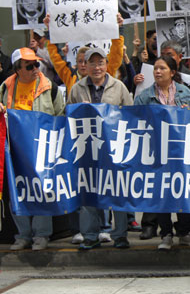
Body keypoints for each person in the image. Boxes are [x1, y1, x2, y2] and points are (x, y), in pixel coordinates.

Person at [134, 55, 190, 250]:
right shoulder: (145, 96)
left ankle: (185, 232)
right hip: (158, 152)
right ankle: (165, 235)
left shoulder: (184, 92)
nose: (157, 71)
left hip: (181, 152)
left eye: (162, 68)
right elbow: (134, 119)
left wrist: (188, 110)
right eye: (155, 68)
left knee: (183, 191)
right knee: (162, 194)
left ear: (172, 72)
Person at [67, 48, 133, 250]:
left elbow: (130, 115)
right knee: (88, 194)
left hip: (114, 149)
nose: (97, 67)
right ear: (84, 66)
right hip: (87, 151)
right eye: (92, 63)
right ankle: (90, 236)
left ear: (107, 65)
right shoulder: (77, 89)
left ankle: (120, 235)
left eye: (100, 63)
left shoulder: (118, 86)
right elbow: (67, 117)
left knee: (118, 192)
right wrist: (81, 110)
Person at [0, 48, 64, 251]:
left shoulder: (49, 87)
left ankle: (42, 235)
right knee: (17, 192)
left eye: (37, 64)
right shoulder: (5, 87)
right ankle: (23, 235)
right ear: (17, 69)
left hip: (41, 148)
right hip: (14, 150)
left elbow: (60, 115)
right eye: (30, 65)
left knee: (41, 191)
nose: (36, 68)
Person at [40, 13, 125, 94]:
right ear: (76, 63)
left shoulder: (105, 73)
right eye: (80, 61)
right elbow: (56, 57)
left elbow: (116, 54)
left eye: (87, 61)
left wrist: (118, 28)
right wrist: (50, 31)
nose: (83, 65)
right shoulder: (70, 76)